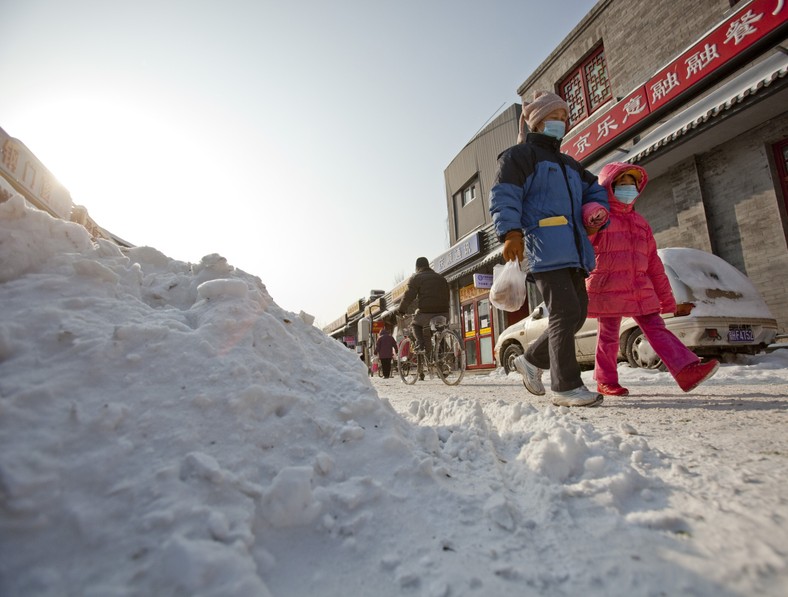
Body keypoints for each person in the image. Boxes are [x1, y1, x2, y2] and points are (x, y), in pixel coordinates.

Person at [489, 90, 610, 408]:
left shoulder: (569, 164)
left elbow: (594, 188)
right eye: (552, 119)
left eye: (562, 119)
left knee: (577, 312)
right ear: (537, 122)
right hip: (543, 247)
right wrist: (510, 232)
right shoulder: (519, 157)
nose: (559, 124)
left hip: (574, 249)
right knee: (564, 311)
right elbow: (505, 195)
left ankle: (531, 361)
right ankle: (566, 386)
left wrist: (596, 210)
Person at [587, 162, 720, 395]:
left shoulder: (641, 224)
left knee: (657, 327)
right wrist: (591, 220)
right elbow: (584, 247)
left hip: (639, 287)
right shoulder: (600, 217)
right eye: (622, 185)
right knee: (608, 334)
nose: (629, 190)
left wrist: (666, 299)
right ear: (609, 187)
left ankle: (686, 371)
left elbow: (654, 265)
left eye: (633, 185)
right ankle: (605, 380)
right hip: (608, 286)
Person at [397, 257, 450, 354]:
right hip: (445, 313)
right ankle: (442, 352)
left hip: (426, 313)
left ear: (417, 267)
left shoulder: (416, 277)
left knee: (415, 324)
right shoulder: (441, 277)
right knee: (439, 330)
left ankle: (420, 345)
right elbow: (447, 294)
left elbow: (408, 296)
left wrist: (401, 311)